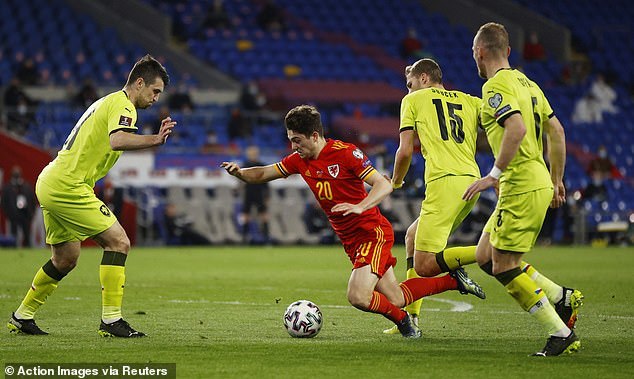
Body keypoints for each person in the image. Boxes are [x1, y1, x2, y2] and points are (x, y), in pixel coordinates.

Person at [222, 104, 485, 338]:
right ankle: (453, 281)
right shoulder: (299, 161)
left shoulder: (346, 153)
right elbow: (264, 173)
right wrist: (240, 173)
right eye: (291, 140)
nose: (293, 146)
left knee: (358, 295)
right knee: (396, 297)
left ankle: (404, 323)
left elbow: (383, 184)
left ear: (315, 136)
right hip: (352, 241)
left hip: (372, 232)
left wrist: (361, 206)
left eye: (297, 140)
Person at [384, 59, 581, 336]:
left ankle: (548, 290)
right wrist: (498, 175)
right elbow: (499, 133)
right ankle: (411, 321)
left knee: (427, 264)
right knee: (412, 238)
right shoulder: (471, 101)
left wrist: (396, 181)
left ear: (425, 78)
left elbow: (404, 152)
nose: (408, 91)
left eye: (410, 84)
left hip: (444, 183)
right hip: (472, 182)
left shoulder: (413, 101)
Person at [7, 55, 176, 338]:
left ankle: (22, 315)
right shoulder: (124, 105)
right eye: (155, 91)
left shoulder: (108, 102)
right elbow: (118, 139)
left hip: (52, 180)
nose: (156, 98)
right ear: (139, 83)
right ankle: (111, 320)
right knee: (119, 242)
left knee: (65, 259)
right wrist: (155, 140)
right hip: (68, 185)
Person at [463, 22, 582, 356]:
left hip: (520, 184)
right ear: (509, 52)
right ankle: (561, 297)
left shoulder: (494, 87)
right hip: (537, 180)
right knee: (485, 257)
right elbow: (556, 131)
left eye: (474, 52)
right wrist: (556, 179)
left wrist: (494, 174)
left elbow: (514, 129)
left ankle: (560, 333)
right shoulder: (529, 84)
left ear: (480, 52)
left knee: (503, 266)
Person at [239, 145, 270, 244]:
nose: (252, 155)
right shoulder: (244, 165)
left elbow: (266, 183)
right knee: (246, 216)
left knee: (263, 215)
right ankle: (244, 238)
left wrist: (267, 196)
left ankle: (266, 239)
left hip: (259, 193)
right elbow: (240, 181)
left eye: (254, 153)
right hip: (248, 193)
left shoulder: (261, 165)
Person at [1, 166, 36, 247]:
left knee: (27, 234)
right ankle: (13, 249)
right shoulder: (7, 187)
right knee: (14, 235)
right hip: (13, 215)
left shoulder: (26, 186)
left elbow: (32, 200)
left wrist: (31, 213)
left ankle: (28, 249)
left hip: (25, 214)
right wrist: (9, 214)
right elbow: (4, 203)